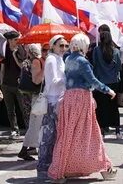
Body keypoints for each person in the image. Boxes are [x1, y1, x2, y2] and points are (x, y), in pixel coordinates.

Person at [48, 33, 117, 183]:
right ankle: (104, 168)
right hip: (81, 99)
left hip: (69, 98)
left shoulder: (68, 59)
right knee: (91, 133)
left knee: (67, 135)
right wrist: (108, 90)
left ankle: (61, 170)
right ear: (83, 45)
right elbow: (92, 80)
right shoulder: (82, 61)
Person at [36, 35, 67, 181]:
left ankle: (53, 168)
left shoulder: (59, 59)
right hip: (52, 101)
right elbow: (53, 81)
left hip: (59, 100)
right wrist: (69, 78)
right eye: (61, 45)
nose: (64, 48)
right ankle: (43, 167)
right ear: (53, 46)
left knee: (56, 136)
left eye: (66, 46)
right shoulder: (51, 59)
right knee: (48, 136)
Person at [92, 30, 122, 139]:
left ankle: (102, 131)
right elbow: (119, 67)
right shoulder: (116, 51)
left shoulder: (96, 50)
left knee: (101, 107)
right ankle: (117, 130)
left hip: (100, 82)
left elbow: (94, 65)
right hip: (113, 82)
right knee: (114, 107)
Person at [19, 43, 44, 161]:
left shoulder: (38, 61)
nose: (46, 52)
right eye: (44, 50)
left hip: (38, 96)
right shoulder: (36, 62)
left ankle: (29, 149)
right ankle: (24, 149)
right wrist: (45, 69)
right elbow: (36, 81)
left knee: (37, 124)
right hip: (38, 96)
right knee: (35, 124)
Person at [0, 30, 26, 137]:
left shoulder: (20, 49)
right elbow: (3, 67)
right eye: (15, 40)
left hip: (19, 84)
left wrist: (15, 54)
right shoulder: (5, 49)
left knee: (23, 108)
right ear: (9, 40)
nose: (17, 41)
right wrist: (1, 82)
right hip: (7, 84)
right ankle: (14, 129)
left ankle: (27, 128)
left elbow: (21, 66)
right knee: (10, 109)